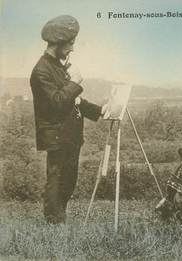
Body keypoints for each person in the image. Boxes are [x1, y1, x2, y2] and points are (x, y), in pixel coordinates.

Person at [30, 15, 108, 224]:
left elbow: (74, 100)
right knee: (56, 178)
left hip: (69, 135)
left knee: (68, 179)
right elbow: (57, 102)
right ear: (57, 42)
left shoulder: (56, 66)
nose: (72, 48)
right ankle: (54, 222)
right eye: (70, 43)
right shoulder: (41, 71)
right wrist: (74, 81)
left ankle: (58, 217)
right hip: (56, 135)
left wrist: (101, 111)